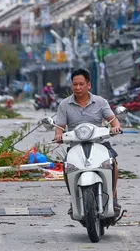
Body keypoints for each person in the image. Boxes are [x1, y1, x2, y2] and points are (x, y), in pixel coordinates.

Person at [53, 68, 122, 216]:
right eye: (75, 84)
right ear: (71, 86)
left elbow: (113, 121)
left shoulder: (100, 102)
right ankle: (74, 200)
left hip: (99, 143)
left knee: (113, 162)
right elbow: (59, 128)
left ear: (88, 85)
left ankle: (113, 196)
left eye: (81, 84)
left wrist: (115, 128)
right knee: (67, 166)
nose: (78, 87)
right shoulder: (64, 105)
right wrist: (58, 136)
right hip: (75, 146)